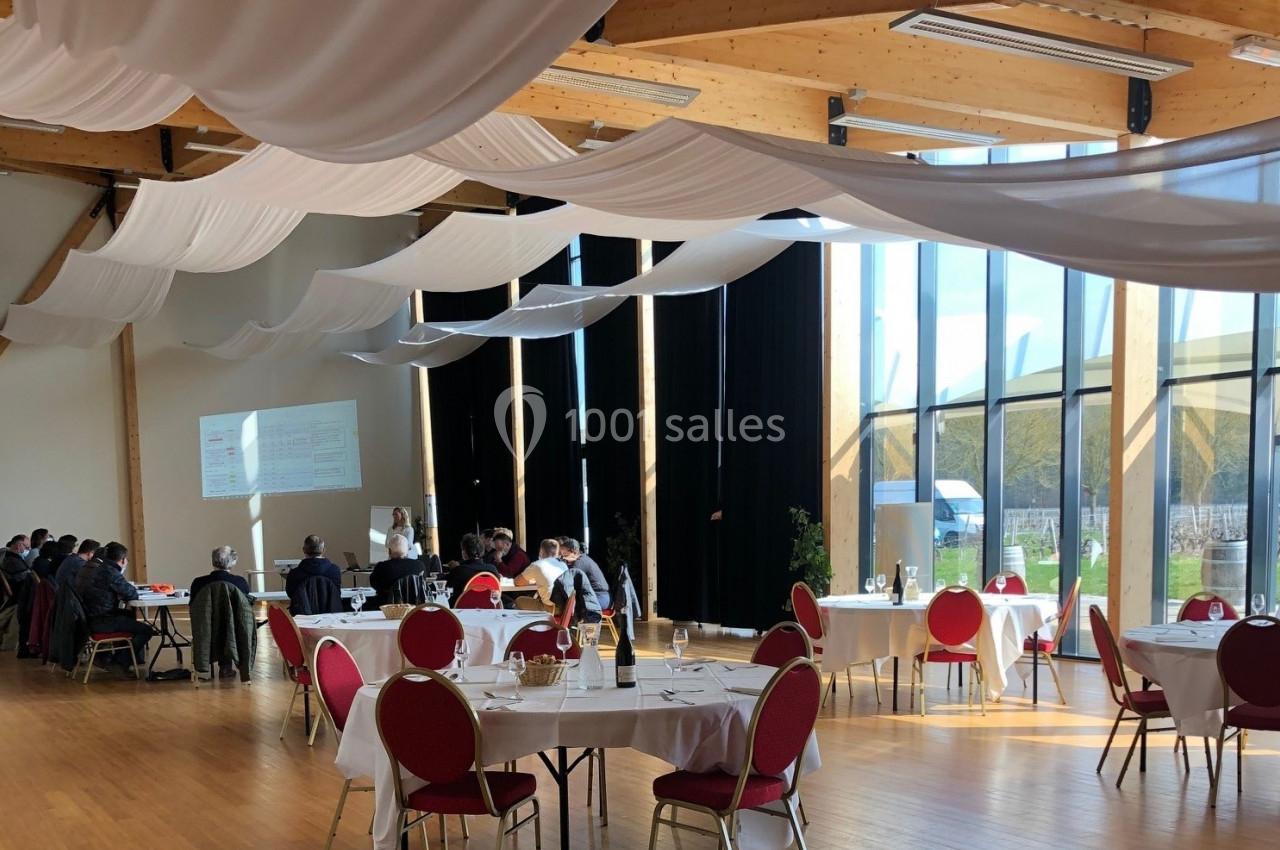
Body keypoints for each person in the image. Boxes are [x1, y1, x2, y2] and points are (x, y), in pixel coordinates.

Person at [73, 541, 152, 670]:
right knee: (147, 630)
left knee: (128, 616)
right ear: (122, 560)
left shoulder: (94, 568)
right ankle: (121, 660)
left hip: (88, 618)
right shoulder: (110, 572)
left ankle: (116, 657)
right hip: (102, 620)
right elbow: (131, 594)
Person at [447, 533, 500, 607]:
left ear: (464, 552)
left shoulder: (459, 571)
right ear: (482, 551)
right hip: (489, 611)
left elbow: (447, 589)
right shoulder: (492, 570)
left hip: (463, 613)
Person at [369, 534, 423, 605]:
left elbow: (374, 585)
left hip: (387, 609)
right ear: (407, 550)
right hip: (414, 608)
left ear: (389, 551)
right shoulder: (419, 565)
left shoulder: (382, 567)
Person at [559, 537, 611, 611]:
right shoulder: (582, 558)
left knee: (569, 606)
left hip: (600, 598)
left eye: (565, 555)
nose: (563, 558)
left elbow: (570, 585)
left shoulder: (580, 563)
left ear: (573, 552)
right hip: (602, 597)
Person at [515, 539, 567, 607]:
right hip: (564, 606)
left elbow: (518, 582)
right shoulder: (563, 565)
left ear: (541, 551)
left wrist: (532, 581)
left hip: (550, 607)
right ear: (557, 552)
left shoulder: (537, 565)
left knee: (519, 600)